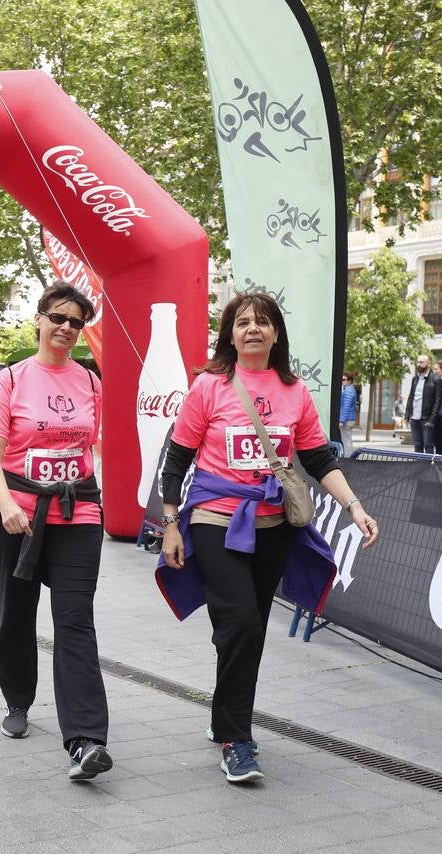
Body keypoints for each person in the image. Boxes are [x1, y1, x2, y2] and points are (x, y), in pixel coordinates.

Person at [156, 292, 378, 783]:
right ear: (229, 334)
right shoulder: (209, 387)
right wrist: (171, 522)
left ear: (276, 333)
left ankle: (224, 718)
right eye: (242, 323)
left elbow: (318, 459)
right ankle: (238, 739)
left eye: (262, 322)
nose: (252, 329)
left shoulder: (294, 391)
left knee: (246, 627)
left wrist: (354, 507)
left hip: (274, 527)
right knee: (242, 625)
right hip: (215, 521)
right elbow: (176, 459)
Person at [0, 281, 111, 781]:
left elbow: (90, 451)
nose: (66, 328)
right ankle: (17, 698)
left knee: (75, 618)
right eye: (58, 317)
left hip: (77, 512)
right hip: (17, 514)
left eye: (76, 322)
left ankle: (85, 740)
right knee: (17, 612)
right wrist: (8, 503)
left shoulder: (91, 382)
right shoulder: (11, 379)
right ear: (39, 319)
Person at [404, 355, 441, 454]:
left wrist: (432, 419)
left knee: (428, 445)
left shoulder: (435, 379)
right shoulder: (415, 379)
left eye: (422, 362)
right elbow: (411, 397)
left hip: (427, 418)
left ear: (428, 364)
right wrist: (407, 414)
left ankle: (428, 468)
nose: (419, 364)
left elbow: (438, 401)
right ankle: (419, 466)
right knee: (417, 444)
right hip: (414, 417)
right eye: (418, 362)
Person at [337, 371, 359, 457]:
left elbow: (345, 407)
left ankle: (348, 458)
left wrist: (341, 420)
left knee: (346, 440)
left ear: (349, 381)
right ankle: (350, 457)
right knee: (348, 440)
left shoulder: (348, 392)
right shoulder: (349, 390)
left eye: (344, 380)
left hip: (347, 420)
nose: (342, 381)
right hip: (349, 419)